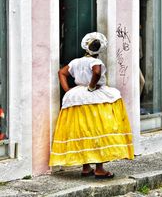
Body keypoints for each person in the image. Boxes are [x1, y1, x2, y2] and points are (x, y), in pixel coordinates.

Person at [49, 32, 134, 179]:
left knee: (83, 130)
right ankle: (99, 169)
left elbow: (61, 73)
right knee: (98, 130)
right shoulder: (96, 62)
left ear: (85, 47)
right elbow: (96, 72)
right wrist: (92, 86)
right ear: (99, 50)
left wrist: (68, 91)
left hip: (77, 97)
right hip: (95, 96)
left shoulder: (76, 62)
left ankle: (86, 167)